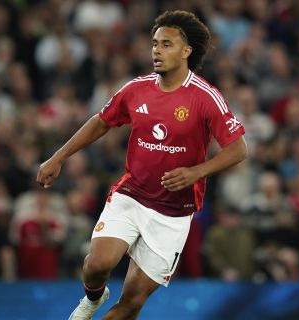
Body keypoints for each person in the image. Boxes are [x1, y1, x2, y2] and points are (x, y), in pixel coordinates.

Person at [37, 10, 248, 320]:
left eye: (166, 45)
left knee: (132, 304)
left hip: (173, 214)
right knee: (96, 265)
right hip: (131, 195)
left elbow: (239, 148)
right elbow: (101, 121)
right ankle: (93, 299)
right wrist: (58, 157)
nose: (156, 51)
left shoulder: (205, 97)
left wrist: (196, 172)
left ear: (186, 51)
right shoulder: (137, 88)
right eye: (154, 44)